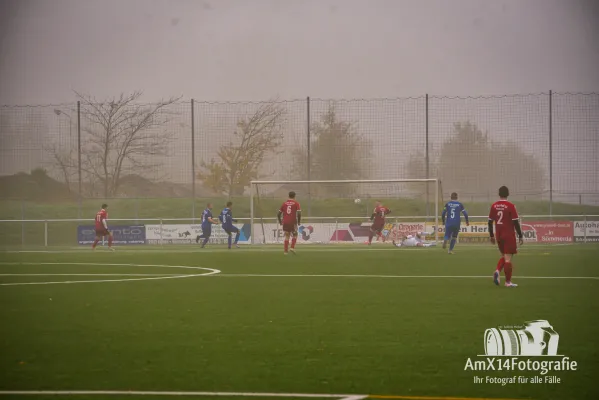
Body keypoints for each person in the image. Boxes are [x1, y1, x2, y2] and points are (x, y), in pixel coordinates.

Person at [488, 186, 523, 288]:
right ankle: (507, 282)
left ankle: (498, 271)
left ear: (499, 194)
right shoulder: (511, 206)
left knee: (504, 256)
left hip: (499, 235)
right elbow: (515, 222)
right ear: (508, 194)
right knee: (508, 259)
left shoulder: (494, 206)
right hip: (508, 234)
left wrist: (491, 236)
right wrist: (520, 235)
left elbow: (490, 222)